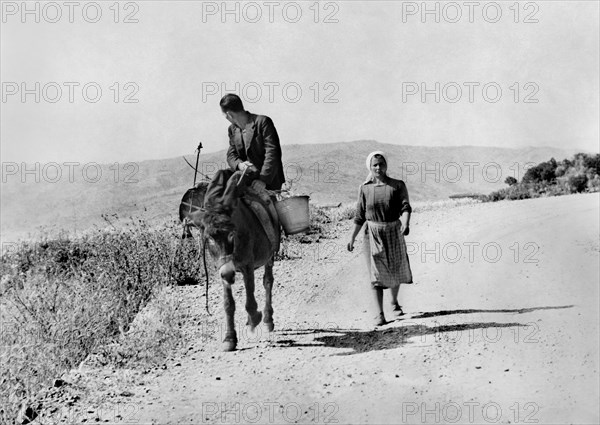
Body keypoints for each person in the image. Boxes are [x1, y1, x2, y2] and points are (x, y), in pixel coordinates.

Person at [347, 151, 413, 327]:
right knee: (375, 275)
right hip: (372, 234)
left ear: (386, 165)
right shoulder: (364, 188)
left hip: (393, 230)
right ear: (370, 166)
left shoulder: (397, 186)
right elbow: (359, 215)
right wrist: (352, 238)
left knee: (396, 269)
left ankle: (394, 302)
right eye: (374, 165)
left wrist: (405, 224)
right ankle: (379, 314)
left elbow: (405, 207)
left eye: (381, 164)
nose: (378, 167)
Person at [205, 93, 285, 209]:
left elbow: (272, 153)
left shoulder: (262, 122)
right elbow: (231, 154)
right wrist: (240, 165)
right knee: (221, 175)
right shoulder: (232, 129)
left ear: (229, 114)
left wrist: (263, 180)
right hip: (245, 177)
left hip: (267, 181)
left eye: (225, 116)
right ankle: (212, 210)